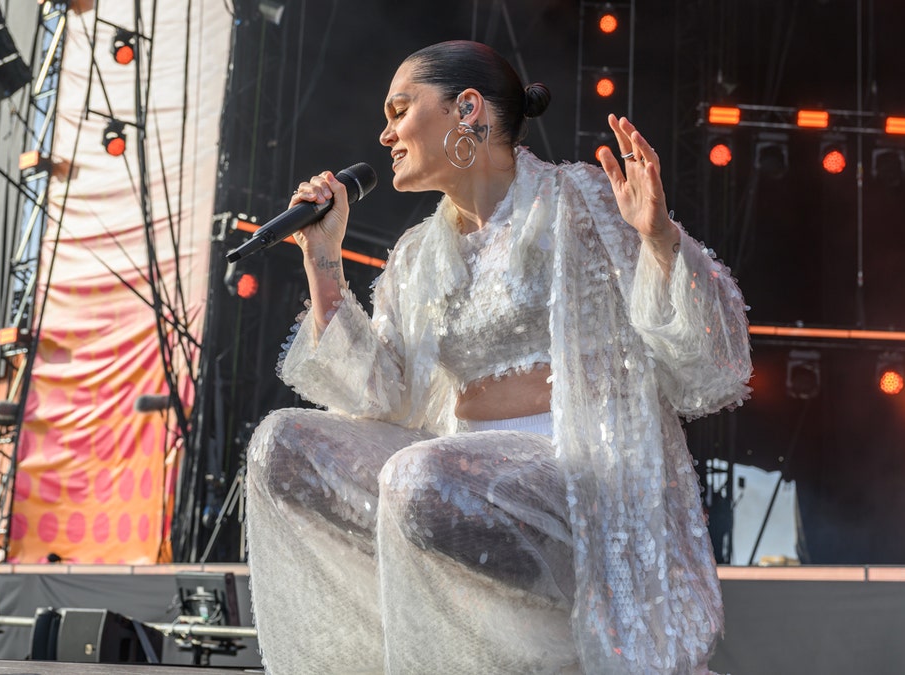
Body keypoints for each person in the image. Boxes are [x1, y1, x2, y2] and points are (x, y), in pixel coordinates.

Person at [245, 40, 751, 674]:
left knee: (418, 478)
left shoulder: (582, 202)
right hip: (444, 471)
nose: (384, 134)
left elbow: (708, 366)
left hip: (571, 468)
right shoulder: (414, 255)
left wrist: (659, 241)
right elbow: (380, 400)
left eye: (400, 110)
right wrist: (323, 262)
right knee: (281, 445)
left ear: (467, 109)